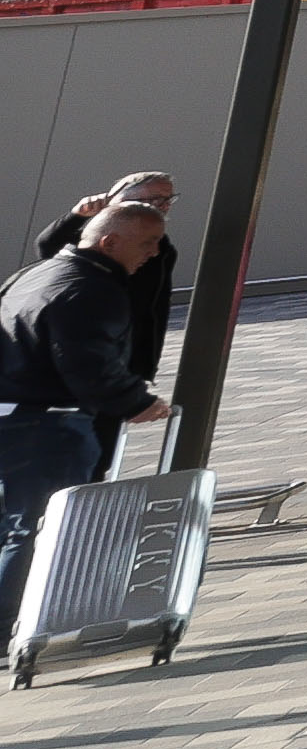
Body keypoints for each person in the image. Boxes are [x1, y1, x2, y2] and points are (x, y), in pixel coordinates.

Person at [1, 201, 174, 593]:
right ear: (109, 242)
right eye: (147, 242)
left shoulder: (35, 274)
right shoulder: (91, 289)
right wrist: (136, 402)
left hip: (13, 413)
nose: (154, 252)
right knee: (42, 529)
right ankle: (10, 619)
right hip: (47, 425)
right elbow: (88, 363)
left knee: (14, 528)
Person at [31, 174, 178, 417]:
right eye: (154, 199)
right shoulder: (92, 237)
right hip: (94, 357)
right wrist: (76, 216)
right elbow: (48, 247)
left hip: (126, 349)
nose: (163, 206)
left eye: (168, 199)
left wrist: (146, 359)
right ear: (117, 198)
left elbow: (153, 306)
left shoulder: (161, 246)